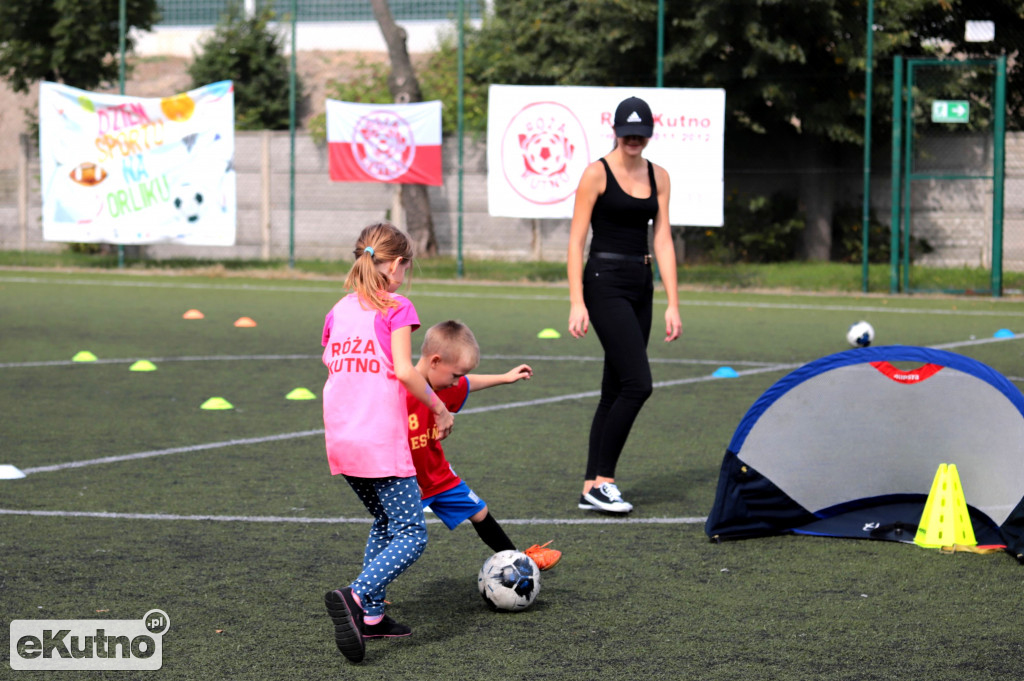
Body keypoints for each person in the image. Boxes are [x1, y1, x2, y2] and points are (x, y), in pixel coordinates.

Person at [320, 221, 454, 664]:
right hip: (379, 439)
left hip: (342, 438)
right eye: (406, 265)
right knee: (413, 533)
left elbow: (332, 363)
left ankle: (373, 618)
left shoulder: (339, 309)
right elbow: (402, 368)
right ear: (395, 264)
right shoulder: (396, 306)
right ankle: (355, 597)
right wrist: (437, 405)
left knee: (384, 518)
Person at [567, 96, 682, 514]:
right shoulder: (595, 173)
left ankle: (589, 486)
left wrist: (673, 302)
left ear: (649, 134)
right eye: (627, 132)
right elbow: (577, 240)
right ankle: (605, 482)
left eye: (641, 133)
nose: (634, 139)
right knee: (639, 384)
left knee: (613, 389)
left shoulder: (660, 176)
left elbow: (663, 239)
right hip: (603, 282)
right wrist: (577, 301)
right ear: (615, 131)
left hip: (641, 283)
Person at [409, 320, 561, 570]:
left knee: (479, 511)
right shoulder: (402, 391)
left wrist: (505, 377)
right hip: (405, 481)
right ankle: (369, 591)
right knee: (398, 536)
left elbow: (470, 382)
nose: (458, 382)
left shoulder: (445, 384)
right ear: (435, 361)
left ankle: (519, 562)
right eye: (455, 375)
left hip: (437, 475)